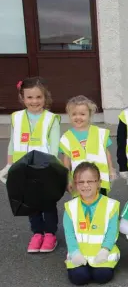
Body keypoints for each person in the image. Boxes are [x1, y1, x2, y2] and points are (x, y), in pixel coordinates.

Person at [0, 77, 61, 253]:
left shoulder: (52, 119)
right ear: (23, 98)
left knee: (47, 202)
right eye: (30, 97)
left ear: (45, 97)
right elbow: (12, 143)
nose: (34, 101)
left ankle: (50, 234)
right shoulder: (16, 117)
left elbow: (55, 146)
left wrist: (51, 169)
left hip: (44, 169)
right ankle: (37, 233)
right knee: (30, 202)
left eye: (38, 97)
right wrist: (9, 164)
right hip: (23, 169)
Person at [64, 162, 119, 285]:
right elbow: (69, 234)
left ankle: (99, 264)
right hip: (79, 253)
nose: (85, 185)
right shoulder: (70, 207)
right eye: (80, 182)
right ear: (75, 184)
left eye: (90, 181)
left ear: (99, 183)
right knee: (79, 278)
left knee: (102, 276)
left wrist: (105, 250)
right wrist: (74, 252)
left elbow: (112, 231)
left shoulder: (111, 205)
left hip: (103, 253)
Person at [59, 96, 116, 195]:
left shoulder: (100, 133)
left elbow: (107, 154)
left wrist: (111, 170)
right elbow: (66, 161)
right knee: (80, 209)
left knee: (101, 207)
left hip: (99, 181)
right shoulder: (66, 137)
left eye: (82, 114)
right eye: (74, 114)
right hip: (79, 183)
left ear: (90, 115)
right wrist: (67, 179)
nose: (78, 117)